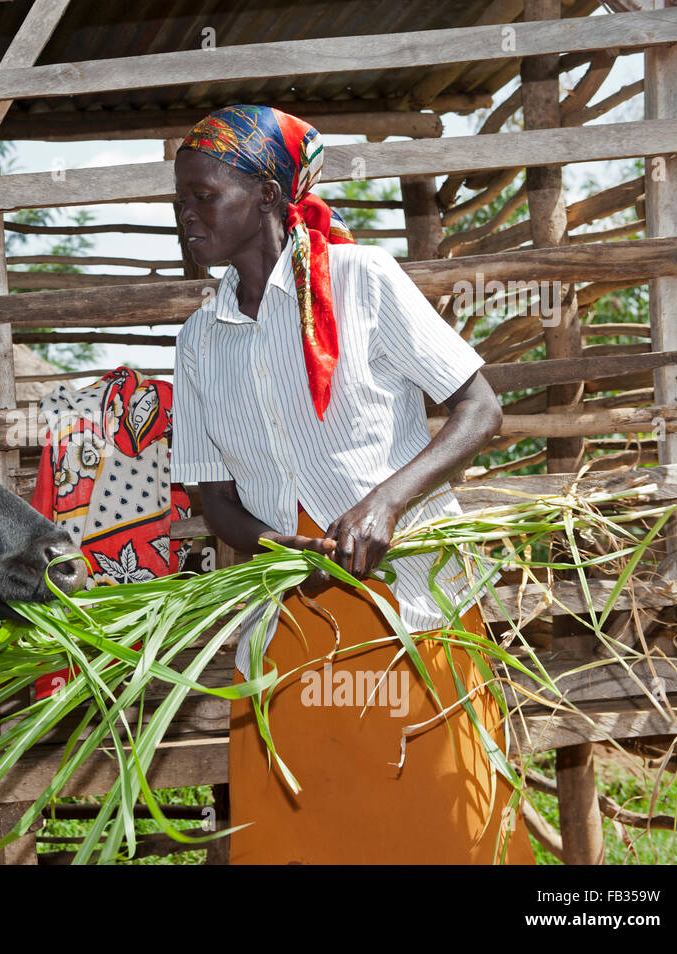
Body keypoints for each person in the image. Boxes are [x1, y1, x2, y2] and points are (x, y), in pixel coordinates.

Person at [169, 105, 535, 865]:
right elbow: (215, 501)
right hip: (292, 629)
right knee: (300, 838)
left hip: (411, 608)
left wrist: (385, 504)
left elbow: (481, 408)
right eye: (180, 199)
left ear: (268, 196)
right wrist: (280, 549)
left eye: (204, 196)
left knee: (439, 833)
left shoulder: (364, 282)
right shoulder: (199, 340)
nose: (186, 215)